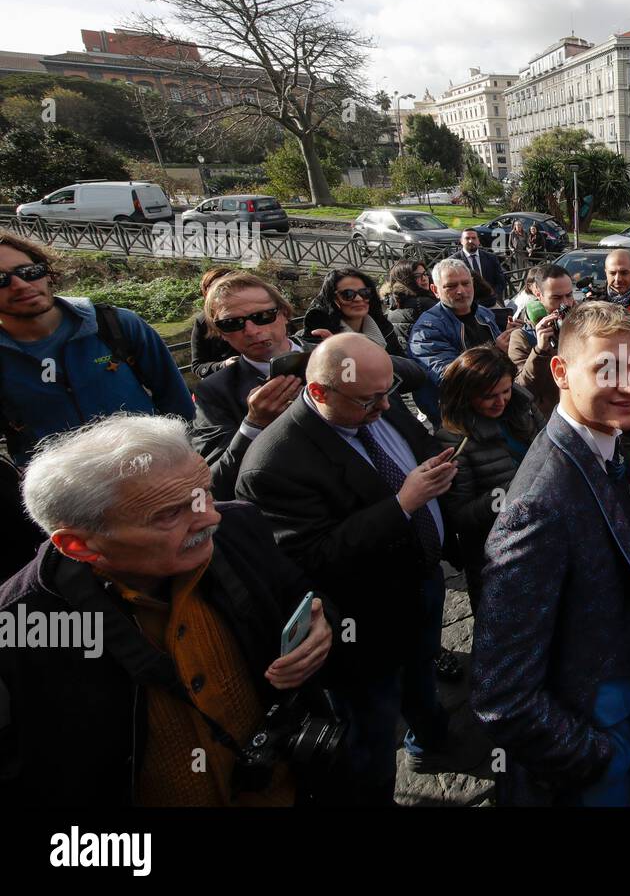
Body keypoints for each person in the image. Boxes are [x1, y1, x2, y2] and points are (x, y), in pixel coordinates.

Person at [0, 414, 334, 806]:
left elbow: (303, 594)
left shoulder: (240, 528)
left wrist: (321, 624)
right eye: (169, 514)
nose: (210, 517)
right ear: (78, 545)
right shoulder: (18, 631)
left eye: (204, 493)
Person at [235, 334, 462, 803]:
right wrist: (404, 502)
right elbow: (314, 560)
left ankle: (431, 740)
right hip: (366, 620)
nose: (383, 406)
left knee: (422, 674)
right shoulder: (273, 464)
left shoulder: (375, 399)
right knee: (372, 723)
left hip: (423, 582)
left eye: (387, 392)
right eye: (368, 400)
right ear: (319, 393)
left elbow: (410, 440)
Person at [471, 301, 630, 806]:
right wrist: (591, 755)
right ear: (561, 371)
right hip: (588, 728)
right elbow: (501, 694)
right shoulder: (536, 506)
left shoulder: (604, 439)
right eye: (607, 369)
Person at [0, 232, 194, 467]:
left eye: (28, 272)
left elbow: (177, 403)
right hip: (68, 491)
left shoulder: (116, 324)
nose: (20, 285)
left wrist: (184, 462)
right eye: (1, 279)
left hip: (152, 471)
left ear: (46, 272)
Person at [432, 346, 544, 613]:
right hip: (496, 552)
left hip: (540, 534)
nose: (501, 401)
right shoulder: (453, 441)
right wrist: (510, 491)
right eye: (488, 396)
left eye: (506, 391)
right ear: (465, 395)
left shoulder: (523, 407)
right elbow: (461, 516)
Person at [192, 273, 305, 501]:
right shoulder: (214, 393)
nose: (252, 331)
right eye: (232, 323)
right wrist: (253, 426)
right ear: (221, 334)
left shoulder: (336, 352)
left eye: (263, 316)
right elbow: (214, 486)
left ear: (284, 313)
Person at [409, 257, 520, 424]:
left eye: (466, 283)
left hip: (498, 409)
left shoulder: (484, 314)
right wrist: (496, 351)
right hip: (460, 418)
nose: (461, 291)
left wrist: (512, 339)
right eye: (451, 286)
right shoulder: (426, 330)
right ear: (435, 290)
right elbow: (451, 377)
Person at [507, 264, 575, 418]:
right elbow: (521, 389)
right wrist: (539, 351)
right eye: (556, 298)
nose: (565, 303)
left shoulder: (583, 324)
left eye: (569, 295)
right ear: (538, 294)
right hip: (549, 421)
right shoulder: (521, 336)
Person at [303, 267, 406, 357]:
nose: (358, 299)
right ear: (334, 299)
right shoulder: (320, 333)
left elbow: (407, 367)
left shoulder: (383, 326)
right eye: (348, 294)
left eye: (364, 293)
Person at [190, 266, 237, 379]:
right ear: (207, 293)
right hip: (226, 382)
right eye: (216, 287)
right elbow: (197, 366)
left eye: (227, 285)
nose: (223, 291)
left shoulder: (254, 312)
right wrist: (223, 365)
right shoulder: (203, 321)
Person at [380, 259, 435, 348]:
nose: (424, 278)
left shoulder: (393, 301)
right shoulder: (423, 303)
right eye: (417, 276)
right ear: (406, 279)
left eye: (425, 274)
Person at [448, 229, 508, 304]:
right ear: (461, 241)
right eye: (467, 238)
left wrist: (493, 295)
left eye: (473, 238)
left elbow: (501, 281)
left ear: (478, 241)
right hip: (466, 305)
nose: (470, 241)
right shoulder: (453, 261)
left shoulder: (491, 258)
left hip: (492, 303)